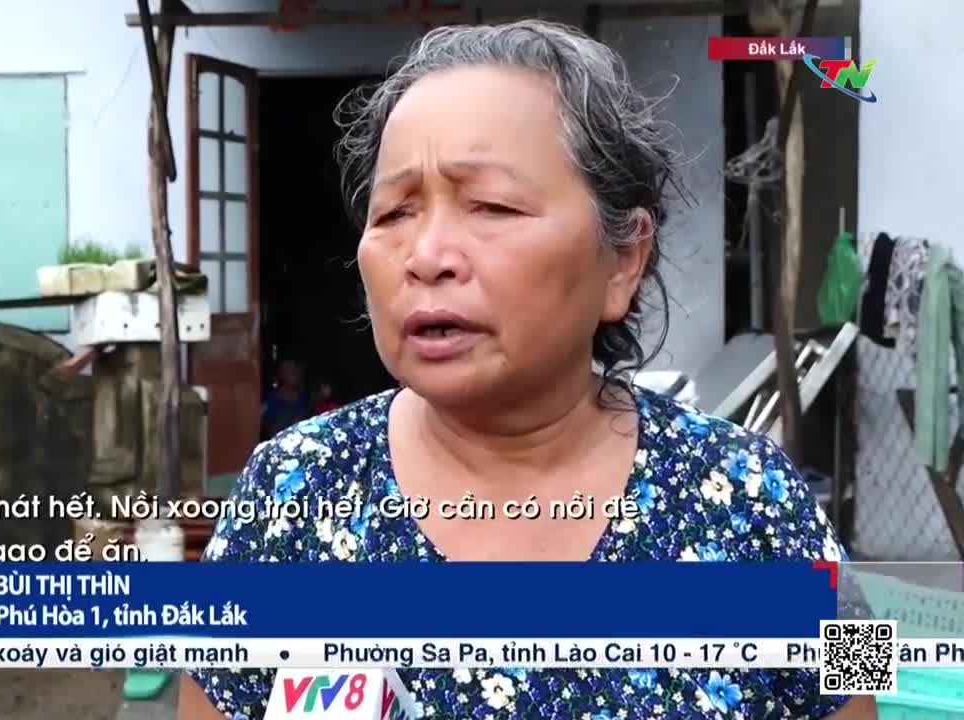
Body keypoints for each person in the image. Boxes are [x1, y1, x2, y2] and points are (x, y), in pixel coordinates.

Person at [181, 19, 874, 720]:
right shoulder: (287, 494)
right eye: (393, 212)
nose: (427, 256)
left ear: (623, 260)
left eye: (491, 205)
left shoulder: (756, 499)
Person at [260, 358, 310, 439]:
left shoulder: (305, 398)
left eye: (296, 371)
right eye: (290, 371)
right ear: (281, 375)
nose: (295, 374)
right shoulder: (271, 400)